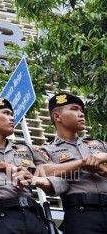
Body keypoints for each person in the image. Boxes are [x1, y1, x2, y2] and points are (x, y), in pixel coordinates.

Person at [0, 97, 55, 234]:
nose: (11, 118)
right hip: (0, 220)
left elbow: (59, 177)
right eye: (6, 113)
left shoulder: (28, 149)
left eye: (12, 114)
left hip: (34, 218)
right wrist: (1, 166)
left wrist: (36, 179)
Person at [35, 92, 107, 234]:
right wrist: (82, 163)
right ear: (57, 116)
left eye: (81, 110)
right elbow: (41, 172)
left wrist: (104, 156)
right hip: (81, 215)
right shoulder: (46, 150)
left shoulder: (99, 145)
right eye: (74, 109)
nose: (81, 114)